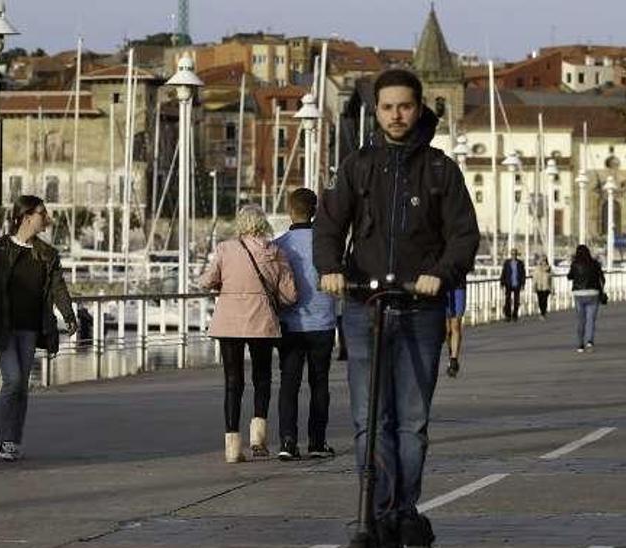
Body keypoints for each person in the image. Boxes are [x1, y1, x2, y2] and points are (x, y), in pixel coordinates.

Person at [314, 68, 480, 547]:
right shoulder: (358, 167)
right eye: (387, 107)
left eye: (404, 106)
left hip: (419, 308)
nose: (396, 115)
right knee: (371, 419)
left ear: (419, 107)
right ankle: (376, 510)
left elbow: (464, 236)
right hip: (364, 307)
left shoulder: (440, 170)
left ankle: (406, 509)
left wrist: (441, 274)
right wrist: (330, 267)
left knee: (411, 421)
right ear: (376, 111)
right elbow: (328, 227)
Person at [0, 196, 76, 462]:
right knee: (13, 380)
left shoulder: (47, 253)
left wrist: (69, 315)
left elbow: (58, 287)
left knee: (22, 386)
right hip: (3, 327)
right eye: (43, 213)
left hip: (31, 328)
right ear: (26, 216)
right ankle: (5, 439)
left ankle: (13, 439)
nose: (47, 217)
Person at [199, 204, 297, 463]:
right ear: (262, 223)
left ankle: (232, 447)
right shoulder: (275, 252)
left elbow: (206, 281)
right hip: (261, 322)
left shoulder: (225, 249)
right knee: (262, 378)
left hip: (229, 322)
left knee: (233, 382)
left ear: (240, 224)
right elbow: (290, 295)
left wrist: (225, 284)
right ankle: (258, 439)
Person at [273, 189, 337, 461]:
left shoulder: (279, 245)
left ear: (290, 210)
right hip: (322, 321)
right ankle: (317, 442)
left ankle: (287, 441)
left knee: (289, 384)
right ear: (315, 211)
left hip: (290, 323)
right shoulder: (328, 244)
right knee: (319, 383)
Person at [567, 245, 605, 352]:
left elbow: (569, 276)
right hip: (593, 293)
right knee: (590, 319)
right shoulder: (595, 263)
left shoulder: (575, 264)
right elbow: (602, 278)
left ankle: (580, 345)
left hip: (579, 293)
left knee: (581, 320)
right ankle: (589, 342)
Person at [444, 284, 466, 377]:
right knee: (447, 330)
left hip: (459, 287)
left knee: (456, 324)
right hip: (444, 288)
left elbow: (469, 268)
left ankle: (454, 360)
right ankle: (451, 352)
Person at [500, 248, 527, 322]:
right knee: (507, 300)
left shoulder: (520, 263)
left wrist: (523, 284)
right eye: (512, 254)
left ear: (516, 255)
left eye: (514, 254)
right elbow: (503, 273)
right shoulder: (507, 263)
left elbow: (523, 274)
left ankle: (515, 315)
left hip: (517, 284)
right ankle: (507, 316)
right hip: (508, 283)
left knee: (516, 300)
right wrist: (502, 283)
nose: (513, 255)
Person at [532, 254, 553, 319]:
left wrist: (552, 288)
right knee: (540, 300)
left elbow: (551, 279)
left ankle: (543, 313)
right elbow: (535, 278)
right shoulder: (537, 268)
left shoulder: (549, 268)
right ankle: (542, 312)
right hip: (539, 286)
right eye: (542, 260)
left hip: (546, 287)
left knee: (544, 300)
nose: (543, 262)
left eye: (545, 260)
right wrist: (534, 286)